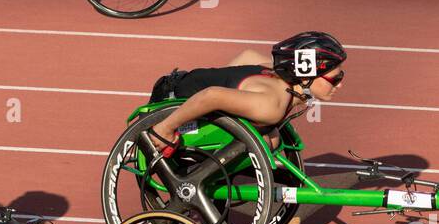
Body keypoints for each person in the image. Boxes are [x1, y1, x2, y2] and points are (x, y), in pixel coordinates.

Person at [146, 31, 347, 155]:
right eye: (335, 79)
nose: (340, 85)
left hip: (181, 83)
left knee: (270, 137)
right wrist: (165, 128)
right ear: (305, 78)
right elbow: (212, 95)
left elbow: (247, 55)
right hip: (169, 101)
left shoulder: (280, 74)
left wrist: (232, 91)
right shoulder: (271, 106)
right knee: (266, 142)